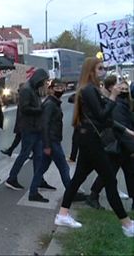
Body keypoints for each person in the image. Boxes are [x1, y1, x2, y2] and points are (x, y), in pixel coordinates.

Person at [55, 57, 134, 237]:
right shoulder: (89, 89)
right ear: (91, 71)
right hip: (91, 139)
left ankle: (63, 214)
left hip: (88, 138)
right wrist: (113, 97)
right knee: (110, 179)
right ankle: (127, 224)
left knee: (78, 178)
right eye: (100, 68)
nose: (103, 71)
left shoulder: (91, 89)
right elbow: (101, 116)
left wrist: (126, 130)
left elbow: (106, 118)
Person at [86, 79, 134, 210]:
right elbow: (122, 128)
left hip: (122, 146)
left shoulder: (124, 104)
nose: (124, 92)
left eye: (126, 90)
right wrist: (132, 148)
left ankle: (93, 196)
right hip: (119, 146)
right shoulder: (118, 106)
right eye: (121, 89)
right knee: (109, 174)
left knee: (126, 173)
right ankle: (93, 196)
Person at [27, 79, 72, 203]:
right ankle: (71, 192)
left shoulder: (54, 102)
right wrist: (47, 145)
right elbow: (44, 125)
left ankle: (33, 192)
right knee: (64, 167)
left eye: (62, 87)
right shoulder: (50, 104)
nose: (60, 90)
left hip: (52, 140)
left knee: (41, 168)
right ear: (51, 89)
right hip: (51, 141)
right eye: (57, 88)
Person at [5, 68, 50, 190]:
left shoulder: (33, 89)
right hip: (29, 128)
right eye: (44, 81)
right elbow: (24, 109)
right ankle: (12, 178)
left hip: (35, 127)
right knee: (24, 154)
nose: (44, 83)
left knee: (38, 156)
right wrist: (40, 110)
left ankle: (39, 179)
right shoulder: (26, 89)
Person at [1, 84, 24, 156]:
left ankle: (12, 151)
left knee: (25, 140)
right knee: (19, 138)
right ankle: (10, 150)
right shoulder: (22, 98)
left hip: (24, 124)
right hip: (22, 123)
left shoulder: (25, 98)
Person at [67, 93, 80, 162]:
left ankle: (73, 157)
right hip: (80, 121)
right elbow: (70, 99)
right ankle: (73, 156)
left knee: (76, 139)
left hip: (81, 121)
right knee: (76, 139)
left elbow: (71, 99)